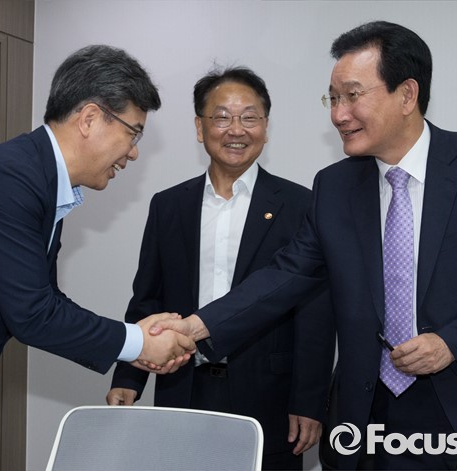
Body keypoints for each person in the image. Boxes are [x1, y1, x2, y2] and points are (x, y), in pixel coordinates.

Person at [149, 21, 457, 470]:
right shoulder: (334, 187)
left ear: (406, 95)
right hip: (372, 418)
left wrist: (453, 342)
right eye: (333, 98)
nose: (338, 114)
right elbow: (284, 275)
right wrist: (196, 326)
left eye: (352, 96)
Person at [0, 45, 195, 471]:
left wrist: (133, 344)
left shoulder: (38, 180)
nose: (133, 152)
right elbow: (33, 314)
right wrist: (138, 342)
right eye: (133, 134)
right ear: (90, 118)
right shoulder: (10, 177)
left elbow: (44, 298)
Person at [107, 66, 335, 470]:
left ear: (266, 127)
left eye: (250, 117)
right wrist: (129, 377)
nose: (237, 130)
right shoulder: (169, 206)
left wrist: (308, 401)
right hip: (182, 387)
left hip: (269, 398)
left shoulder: (302, 205)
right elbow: (147, 299)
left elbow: (315, 314)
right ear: (200, 127)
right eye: (222, 117)